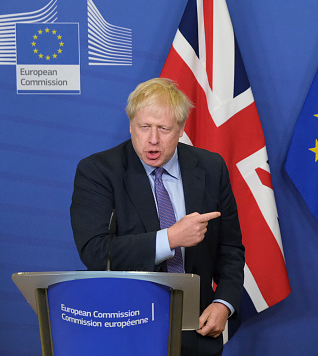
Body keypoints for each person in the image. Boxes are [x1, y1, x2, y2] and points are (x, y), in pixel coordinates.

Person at [70, 78, 245, 356]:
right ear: (131, 126)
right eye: (144, 127)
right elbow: (95, 251)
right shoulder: (98, 171)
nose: (153, 139)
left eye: (164, 129)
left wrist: (224, 302)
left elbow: (231, 249)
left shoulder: (211, 168)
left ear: (180, 130)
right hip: (126, 329)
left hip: (197, 332)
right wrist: (171, 238)